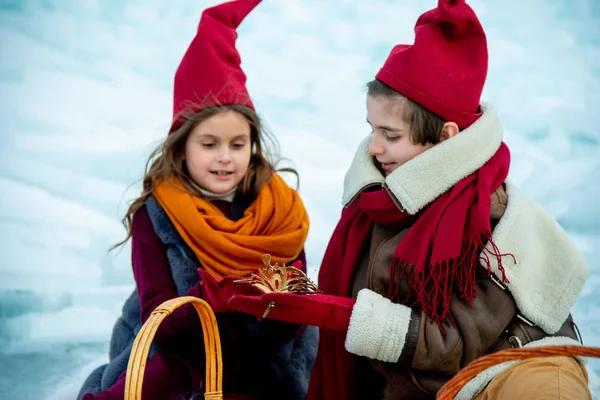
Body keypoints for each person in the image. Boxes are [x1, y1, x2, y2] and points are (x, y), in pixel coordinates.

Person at [228, 0, 591, 399]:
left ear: (447, 138)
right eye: (373, 129)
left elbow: (450, 343)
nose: (375, 148)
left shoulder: (492, 219)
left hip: (511, 366)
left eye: (392, 135)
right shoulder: (377, 206)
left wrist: (345, 316)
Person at [77, 1, 317, 399]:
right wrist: (218, 296)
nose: (225, 156)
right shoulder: (155, 214)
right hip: (176, 354)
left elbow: (293, 316)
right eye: (209, 144)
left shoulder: (281, 211)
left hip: (264, 356)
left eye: (237, 144)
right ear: (181, 145)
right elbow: (161, 313)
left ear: (252, 146)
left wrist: (282, 305)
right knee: (162, 380)